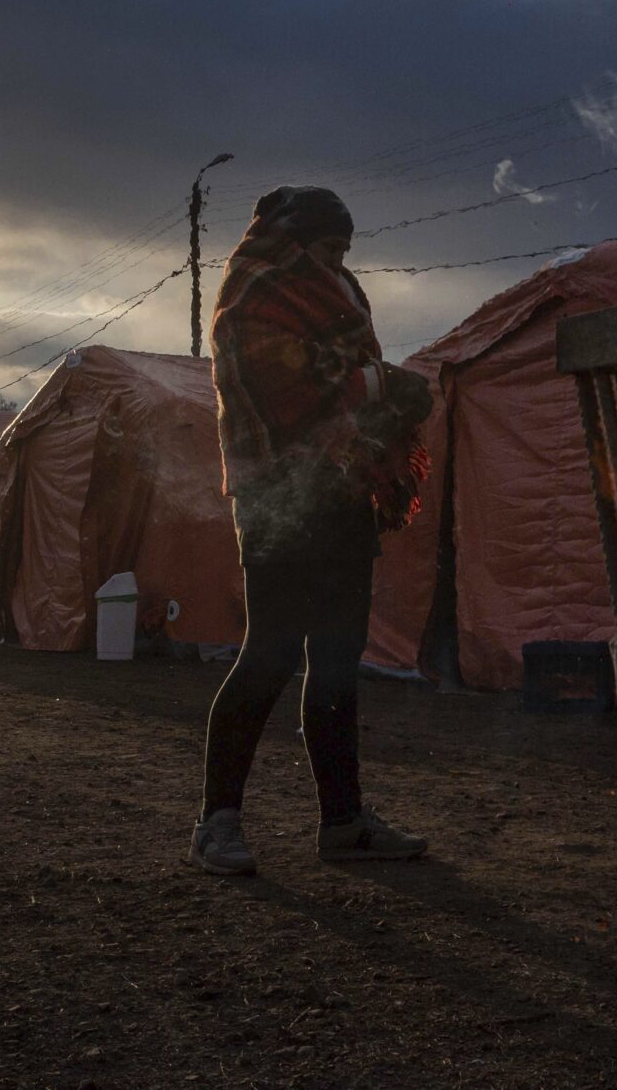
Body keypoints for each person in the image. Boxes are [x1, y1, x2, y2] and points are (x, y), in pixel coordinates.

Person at [192, 186, 436, 876]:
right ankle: (218, 822)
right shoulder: (249, 298)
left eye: (343, 252)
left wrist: (386, 403)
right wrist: (382, 382)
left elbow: (347, 381)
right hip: (274, 496)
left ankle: (344, 822)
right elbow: (285, 379)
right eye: (329, 248)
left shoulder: (339, 293)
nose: (336, 263)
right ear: (296, 240)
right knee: (269, 652)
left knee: (336, 659)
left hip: (341, 494)